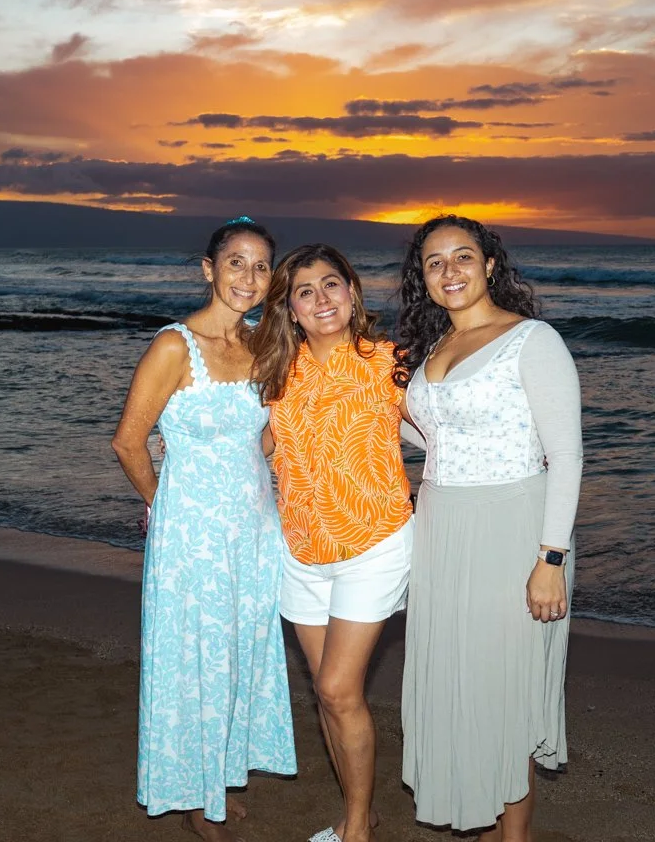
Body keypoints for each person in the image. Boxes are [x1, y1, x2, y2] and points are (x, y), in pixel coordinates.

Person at [393, 214, 583, 841]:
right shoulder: (433, 351)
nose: (451, 271)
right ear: (423, 278)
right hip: (442, 527)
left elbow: (567, 455)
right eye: (434, 262)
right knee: (460, 682)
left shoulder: (532, 340)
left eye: (463, 256)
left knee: (507, 689)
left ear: (490, 265)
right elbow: (427, 432)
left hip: (514, 528)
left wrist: (550, 560)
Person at [111, 217, 296, 842]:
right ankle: (193, 800)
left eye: (262, 265)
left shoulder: (263, 344)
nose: (249, 277)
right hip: (192, 534)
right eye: (237, 262)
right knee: (194, 659)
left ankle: (215, 779)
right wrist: (163, 506)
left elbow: (264, 441)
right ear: (208, 269)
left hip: (253, 528)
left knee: (239, 654)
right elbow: (129, 442)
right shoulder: (173, 346)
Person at [248, 243, 413, 842]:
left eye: (331, 284)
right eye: (304, 291)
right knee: (327, 695)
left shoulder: (390, 362)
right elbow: (256, 449)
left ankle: (358, 835)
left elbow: (447, 433)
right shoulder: (274, 374)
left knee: (340, 688)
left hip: (376, 542)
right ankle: (359, 810)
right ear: (289, 308)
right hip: (301, 551)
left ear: (353, 291)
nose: (321, 299)